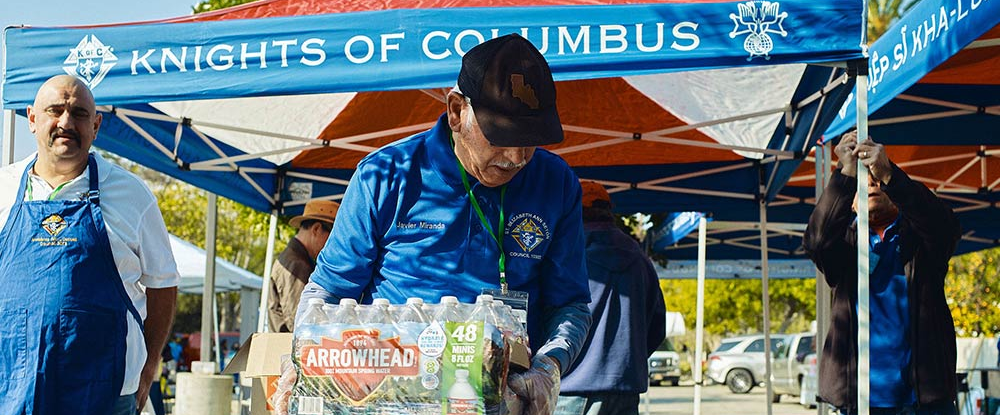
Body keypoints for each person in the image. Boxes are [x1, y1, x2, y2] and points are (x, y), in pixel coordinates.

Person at [298, 34, 592, 414]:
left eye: (531, 140)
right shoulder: (386, 175)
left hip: (501, 401)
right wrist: (299, 359)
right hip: (392, 399)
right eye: (501, 136)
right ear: (456, 111)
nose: (517, 156)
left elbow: (570, 305)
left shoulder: (556, 182)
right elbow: (327, 291)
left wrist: (550, 365)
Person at [0, 75, 179, 415]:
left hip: (106, 396)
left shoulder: (132, 195)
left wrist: (149, 365)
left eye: (79, 113)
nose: (66, 123)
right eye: (55, 110)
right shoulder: (4, 189)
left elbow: (164, 283)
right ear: (32, 119)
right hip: (12, 391)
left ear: (95, 126)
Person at [803, 130, 961, 415]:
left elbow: (943, 226)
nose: (872, 183)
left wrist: (889, 173)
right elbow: (816, 240)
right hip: (861, 401)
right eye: (862, 182)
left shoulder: (920, 241)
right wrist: (845, 174)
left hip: (924, 401)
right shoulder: (844, 247)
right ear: (851, 203)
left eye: (877, 180)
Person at [555, 181, 666, 415]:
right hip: (624, 389)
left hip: (570, 387)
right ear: (608, 210)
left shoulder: (566, 253)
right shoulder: (639, 258)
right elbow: (657, 327)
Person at [267, 199, 338, 332]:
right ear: (316, 229)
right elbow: (300, 323)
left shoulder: (294, 259)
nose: (333, 247)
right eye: (332, 239)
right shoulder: (297, 264)